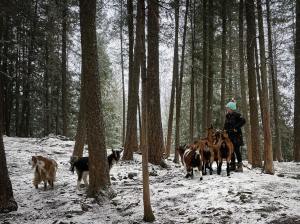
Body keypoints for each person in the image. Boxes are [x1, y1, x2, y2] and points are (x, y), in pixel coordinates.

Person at [223, 99, 246, 172]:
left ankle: (240, 166)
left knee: (236, 150)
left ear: (231, 108)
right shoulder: (227, 116)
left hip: (236, 136)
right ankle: (232, 165)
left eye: (228, 108)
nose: (227, 109)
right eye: (227, 108)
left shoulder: (237, 115)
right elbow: (226, 125)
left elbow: (243, 121)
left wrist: (236, 127)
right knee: (231, 150)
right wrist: (224, 130)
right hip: (229, 136)